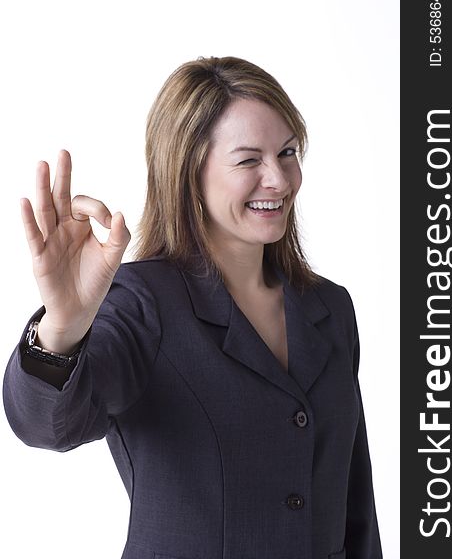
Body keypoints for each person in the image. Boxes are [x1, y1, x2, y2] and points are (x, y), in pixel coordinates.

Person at [3, 56, 382, 559]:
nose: (279, 179)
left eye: (288, 152)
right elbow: (48, 425)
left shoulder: (330, 307)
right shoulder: (143, 303)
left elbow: (355, 502)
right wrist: (63, 327)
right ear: (187, 170)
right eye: (249, 160)